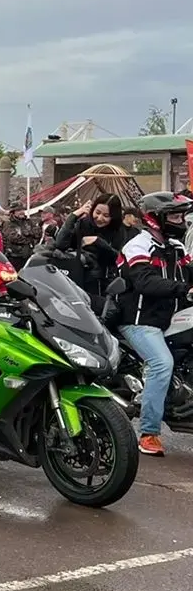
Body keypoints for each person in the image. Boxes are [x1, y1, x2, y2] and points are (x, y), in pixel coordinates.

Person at [118, 192, 193, 456]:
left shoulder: (177, 247)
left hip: (170, 320)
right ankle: (149, 433)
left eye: (182, 215)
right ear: (154, 218)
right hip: (139, 322)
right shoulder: (138, 245)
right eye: (174, 215)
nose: (180, 220)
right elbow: (144, 282)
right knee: (162, 363)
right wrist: (185, 289)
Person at [54, 194, 127, 306]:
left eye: (106, 215)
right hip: (76, 279)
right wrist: (73, 216)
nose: (100, 218)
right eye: (97, 212)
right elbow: (60, 244)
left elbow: (119, 258)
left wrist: (99, 242)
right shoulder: (83, 224)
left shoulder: (119, 231)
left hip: (104, 285)